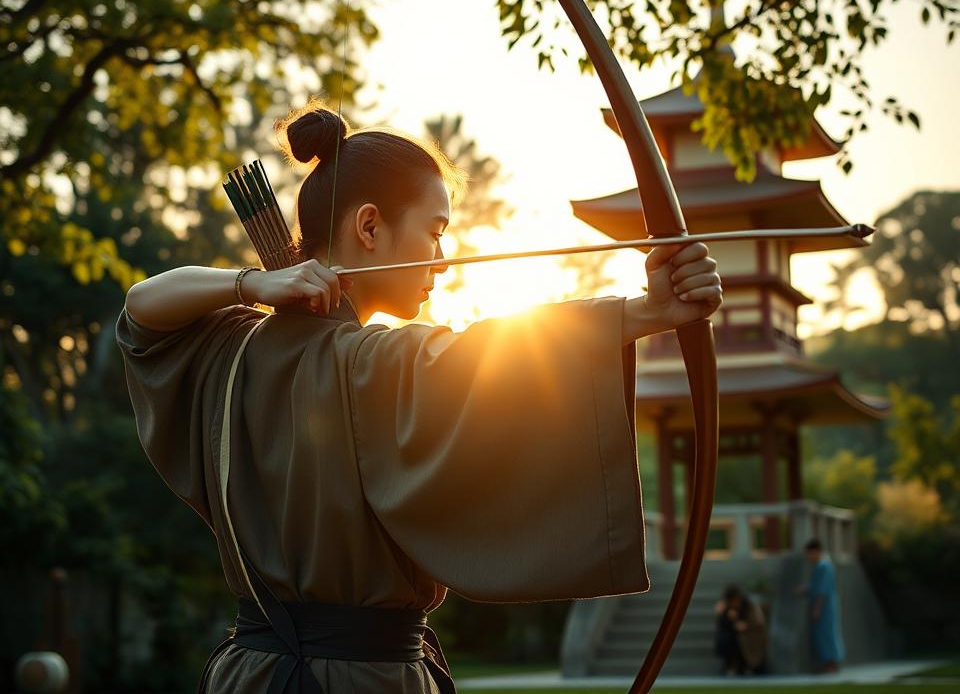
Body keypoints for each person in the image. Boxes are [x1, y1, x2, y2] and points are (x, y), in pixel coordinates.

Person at [115, 99, 723, 694]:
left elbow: (143, 309)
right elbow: (500, 356)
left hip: (249, 676)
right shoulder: (373, 363)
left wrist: (249, 286)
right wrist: (648, 312)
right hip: (364, 680)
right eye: (434, 232)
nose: (442, 261)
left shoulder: (230, 353)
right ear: (369, 226)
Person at [802, 538, 845, 673]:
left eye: (809, 554)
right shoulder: (821, 566)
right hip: (824, 605)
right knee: (824, 633)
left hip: (825, 606)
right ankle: (827, 662)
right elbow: (815, 586)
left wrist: (817, 608)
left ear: (815, 551)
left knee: (827, 633)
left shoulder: (824, 566)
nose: (808, 557)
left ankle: (831, 662)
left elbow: (822, 590)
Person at [713, 585, 766, 675]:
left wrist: (745, 625)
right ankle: (731, 665)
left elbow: (758, 622)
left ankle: (747, 666)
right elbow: (722, 624)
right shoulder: (726, 607)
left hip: (749, 636)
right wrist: (724, 614)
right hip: (733, 637)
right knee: (726, 638)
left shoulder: (749, 606)